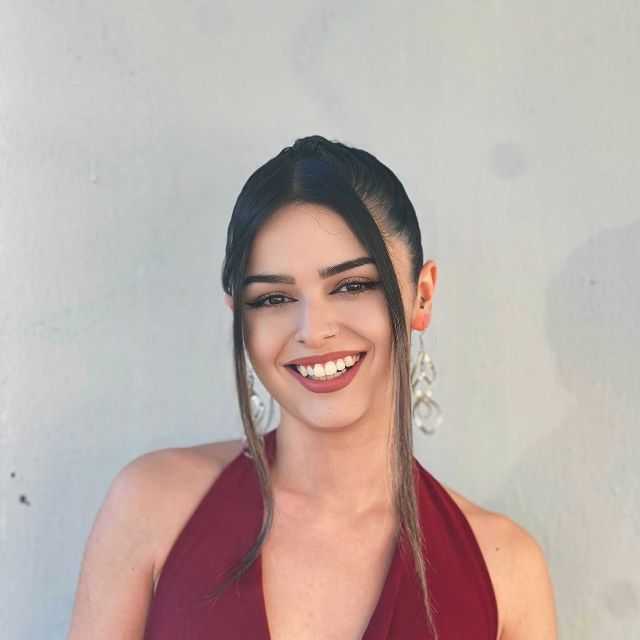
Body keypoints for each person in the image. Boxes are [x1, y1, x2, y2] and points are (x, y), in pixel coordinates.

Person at [67, 135, 558, 639]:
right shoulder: (152, 508)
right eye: (274, 298)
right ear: (240, 316)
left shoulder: (505, 570)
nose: (313, 330)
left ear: (423, 296)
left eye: (352, 286)